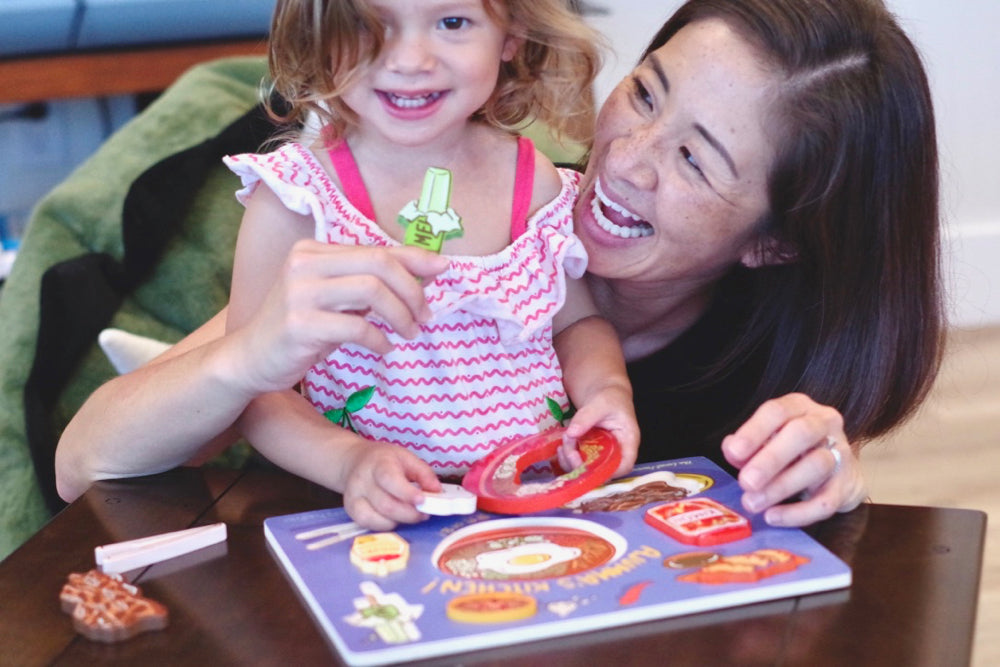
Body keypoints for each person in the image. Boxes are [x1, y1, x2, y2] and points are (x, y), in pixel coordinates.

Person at [55, 0, 942, 530]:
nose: (625, 159)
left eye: (694, 160)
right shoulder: (441, 238)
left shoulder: (763, 369)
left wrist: (828, 481)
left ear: (775, 241)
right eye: (645, 92)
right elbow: (85, 462)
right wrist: (249, 366)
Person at [221, 0, 640, 527]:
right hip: (370, 516)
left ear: (511, 36)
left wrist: (607, 391)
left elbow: (577, 324)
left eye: (452, 22)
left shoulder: (534, 182)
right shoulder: (296, 199)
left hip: (538, 499)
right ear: (320, 35)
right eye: (370, 25)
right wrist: (349, 462)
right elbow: (255, 390)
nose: (410, 60)